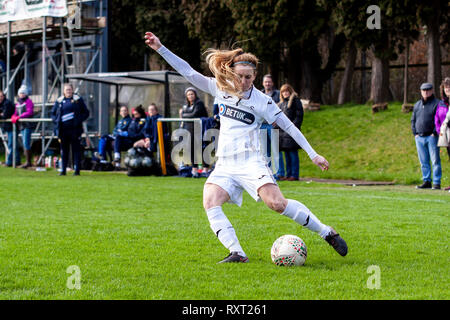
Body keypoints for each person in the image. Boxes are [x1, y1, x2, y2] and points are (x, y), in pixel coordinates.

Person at [145, 31, 347, 263]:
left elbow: (289, 127)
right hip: (225, 163)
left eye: (248, 77)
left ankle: (326, 232)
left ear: (255, 76)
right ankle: (237, 253)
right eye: (239, 76)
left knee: (277, 203)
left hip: (251, 161)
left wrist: (313, 154)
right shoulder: (219, 88)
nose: (243, 82)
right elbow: (188, 71)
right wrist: (160, 48)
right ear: (232, 73)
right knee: (210, 200)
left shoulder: (263, 101)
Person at [51, 83, 90, 176]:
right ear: (63, 91)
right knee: (64, 150)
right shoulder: (59, 101)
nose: (68, 91)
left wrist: (78, 120)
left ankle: (77, 170)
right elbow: (52, 113)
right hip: (63, 130)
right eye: (66, 90)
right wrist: (56, 121)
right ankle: (63, 170)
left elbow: (86, 112)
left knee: (76, 150)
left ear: (72, 90)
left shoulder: (77, 100)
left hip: (75, 130)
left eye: (70, 89)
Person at [411, 82, 441, 189]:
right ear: (421, 91)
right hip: (419, 137)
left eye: (428, 90)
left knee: (435, 160)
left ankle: (436, 182)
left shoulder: (437, 103)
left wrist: (434, 133)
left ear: (432, 91)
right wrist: (415, 133)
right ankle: (426, 181)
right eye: (424, 90)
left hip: (432, 136)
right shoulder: (417, 105)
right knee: (423, 161)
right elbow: (413, 120)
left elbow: (439, 119)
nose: (426, 92)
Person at [276, 84, 304, 181]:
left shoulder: (295, 101)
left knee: (293, 154)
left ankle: (294, 174)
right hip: (282, 134)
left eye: (287, 91)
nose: (285, 93)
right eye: (283, 92)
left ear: (290, 91)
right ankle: (288, 174)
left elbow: (299, 115)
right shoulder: (282, 104)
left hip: (292, 132)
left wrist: (293, 128)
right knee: (286, 154)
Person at [179, 87, 208, 178]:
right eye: (188, 94)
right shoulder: (185, 105)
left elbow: (194, 114)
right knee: (191, 148)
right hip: (189, 129)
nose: (190, 96)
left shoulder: (199, 103)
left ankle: (205, 168)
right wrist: (184, 115)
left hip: (200, 129)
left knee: (202, 148)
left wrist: (184, 114)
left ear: (195, 95)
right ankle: (194, 169)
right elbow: (184, 116)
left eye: (192, 94)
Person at [261, 74, 281, 178]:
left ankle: (278, 173)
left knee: (275, 150)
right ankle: (268, 173)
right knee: (265, 152)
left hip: (272, 125)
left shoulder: (277, 94)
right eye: (266, 82)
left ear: (272, 83)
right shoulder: (259, 94)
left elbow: (281, 107)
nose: (267, 84)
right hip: (262, 126)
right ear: (263, 83)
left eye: (269, 82)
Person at [11, 85, 34, 168]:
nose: (22, 94)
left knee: (26, 143)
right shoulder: (18, 103)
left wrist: (20, 117)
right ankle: (27, 161)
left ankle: (28, 162)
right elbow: (15, 112)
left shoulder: (28, 101)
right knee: (24, 143)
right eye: (21, 93)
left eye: (23, 93)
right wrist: (13, 116)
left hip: (27, 125)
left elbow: (29, 112)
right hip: (21, 126)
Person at [435, 78, 450, 191]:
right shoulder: (442, 103)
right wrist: (440, 131)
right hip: (446, 134)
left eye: (449, 87)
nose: (447, 89)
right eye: (445, 87)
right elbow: (438, 118)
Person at [0, 90, 18, 167]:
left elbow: (5, 115)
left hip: (12, 126)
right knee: (11, 144)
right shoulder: (2, 104)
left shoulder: (7, 103)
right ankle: (17, 160)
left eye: (0, 96)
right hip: (7, 127)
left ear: (3, 96)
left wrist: (2, 114)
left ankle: (9, 162)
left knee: (11, 144)